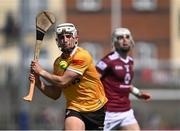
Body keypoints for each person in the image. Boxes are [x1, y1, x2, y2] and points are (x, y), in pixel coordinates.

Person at [29, 23, 107, 130]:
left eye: (68, 36)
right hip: (74, 108)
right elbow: (55, 94)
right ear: (57, 41)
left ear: (76, 38)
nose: (65, 40)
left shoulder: (82, 56)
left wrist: (41, 71)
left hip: (96, 109)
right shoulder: (57, 63)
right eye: (61, 37)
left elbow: (62, 81)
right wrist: (38, 83)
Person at [96, 28, 151, 130]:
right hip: (108, 113)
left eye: (127, 37)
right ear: (114, 42)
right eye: (120, 38)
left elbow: (125, 84)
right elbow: (93, 80)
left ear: (131, 40)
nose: (125, 40)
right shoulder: (108, 61)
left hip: (126, 112)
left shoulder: (130, 61)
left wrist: (138, 93)